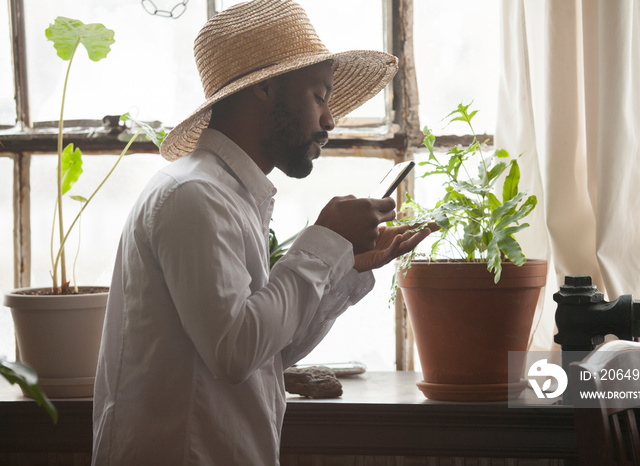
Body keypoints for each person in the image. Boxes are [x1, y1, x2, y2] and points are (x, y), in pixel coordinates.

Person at [92, 0, 434, 464]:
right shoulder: (193, 195)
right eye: (319, 96)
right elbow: (234, 351)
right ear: (267, 87)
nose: (330, 120)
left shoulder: (227, 196)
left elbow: (269, 350)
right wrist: (325, 239)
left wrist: (346, 267)